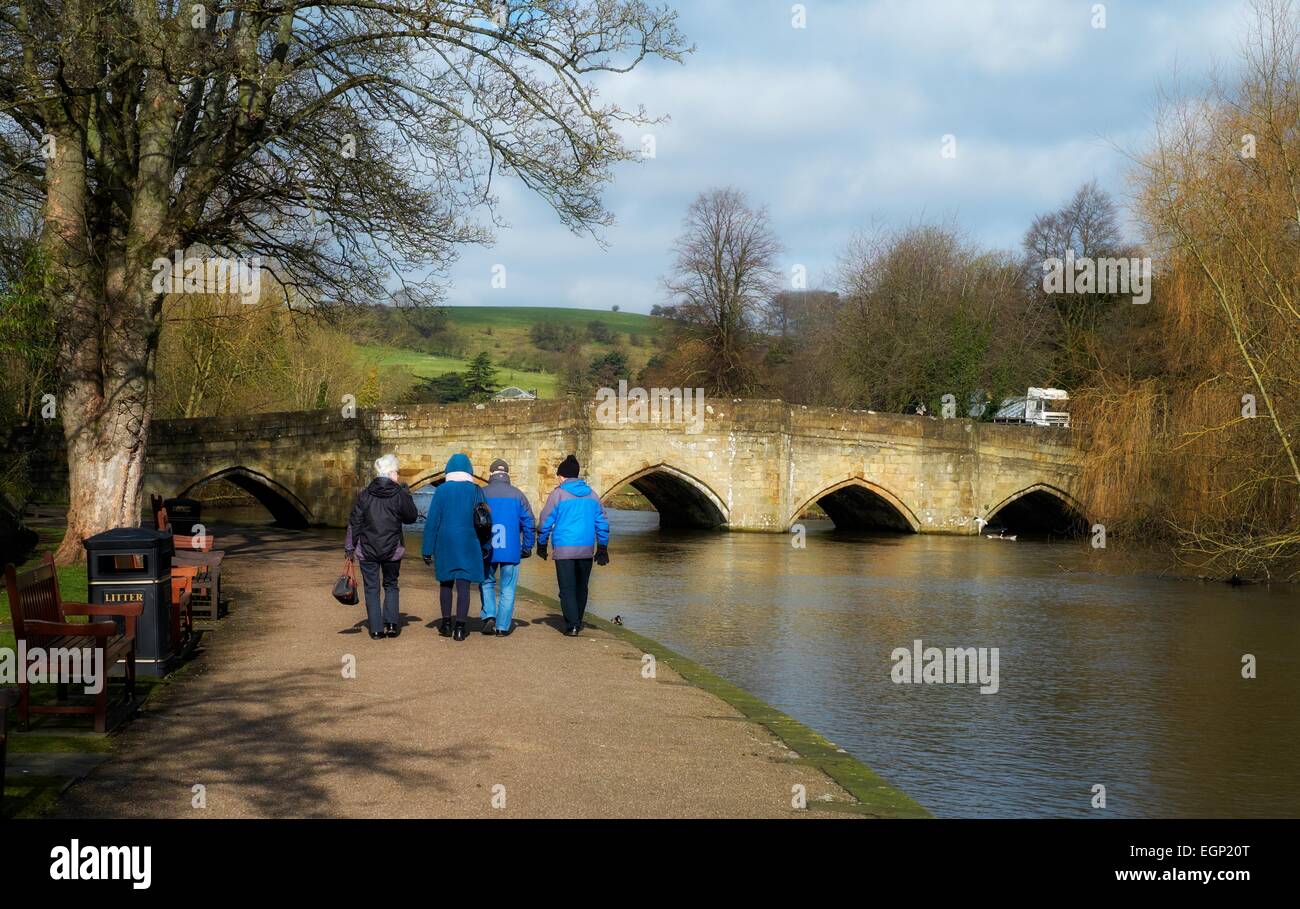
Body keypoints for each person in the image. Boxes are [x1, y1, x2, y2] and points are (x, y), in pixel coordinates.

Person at [345, 453, 418, 640]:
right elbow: (411, 517)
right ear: (392, 472)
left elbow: (355, 522)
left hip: (367, 548)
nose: (399, 475)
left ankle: (376, 629)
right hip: (392, 548)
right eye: (397, 472)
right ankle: (392, 624)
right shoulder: (399, 494)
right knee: (391, 585)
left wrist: (349, 548)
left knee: (372, 588)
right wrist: (407, 495)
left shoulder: (365, 494)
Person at [536, 454, 609, 636]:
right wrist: (602, 547)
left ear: (563, 476)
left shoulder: (558, 494)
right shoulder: (592, 495)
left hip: (564, 549)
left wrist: (542, 544)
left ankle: (572, 625)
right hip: (586, 549)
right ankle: (577, 620)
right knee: (581, 588)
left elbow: (545, 521)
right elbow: (602, 522)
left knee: (567, 589)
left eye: (559, 476)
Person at [421, 453, 487, 641]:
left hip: (445, 542)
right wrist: (486, 545)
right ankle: (460, 627)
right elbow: (485, 521)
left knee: (446, 583)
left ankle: (446, 624)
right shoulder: (476, 490)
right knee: (464, 585)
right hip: (469, 541)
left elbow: (432, 521)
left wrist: (427, 549)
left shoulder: (441, 491)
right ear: (469, 470)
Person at [479, 459, 535, 636]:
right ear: (507, 474)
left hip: (487, 548)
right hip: (511, 549)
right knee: (508, 589)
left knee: (487, 582)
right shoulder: (518, 495)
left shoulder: (481, 493)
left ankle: (489, 615)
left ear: (491, 474)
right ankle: (502, 627)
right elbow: (529, 522)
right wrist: (527, 546)